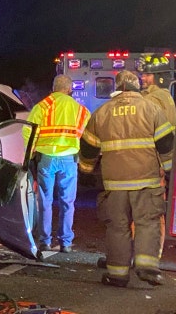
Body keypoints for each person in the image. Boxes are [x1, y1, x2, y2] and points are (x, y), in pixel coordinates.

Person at [79, 70, 174, 287]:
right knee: (147, 222)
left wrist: (85, 169)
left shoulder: (102, 112)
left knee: (117, 227)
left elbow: (88, 146)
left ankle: (118, 275)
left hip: (115, 183)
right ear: (136, 86)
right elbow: (166, 142)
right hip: (146, 181)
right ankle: (148, 267)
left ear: (117, 86)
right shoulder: (152, 109)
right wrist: (168, 169)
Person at [23, 74, 90, 253]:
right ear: (69, 90)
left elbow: (27, 131)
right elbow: (85, 135)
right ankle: (66, 243)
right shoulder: (81, 110)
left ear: (52, 88)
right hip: (69, 159)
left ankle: (45, 241)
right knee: (67, 201)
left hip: (47, 158)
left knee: (45, 199)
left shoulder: (42, 106)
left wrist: (30, 154)